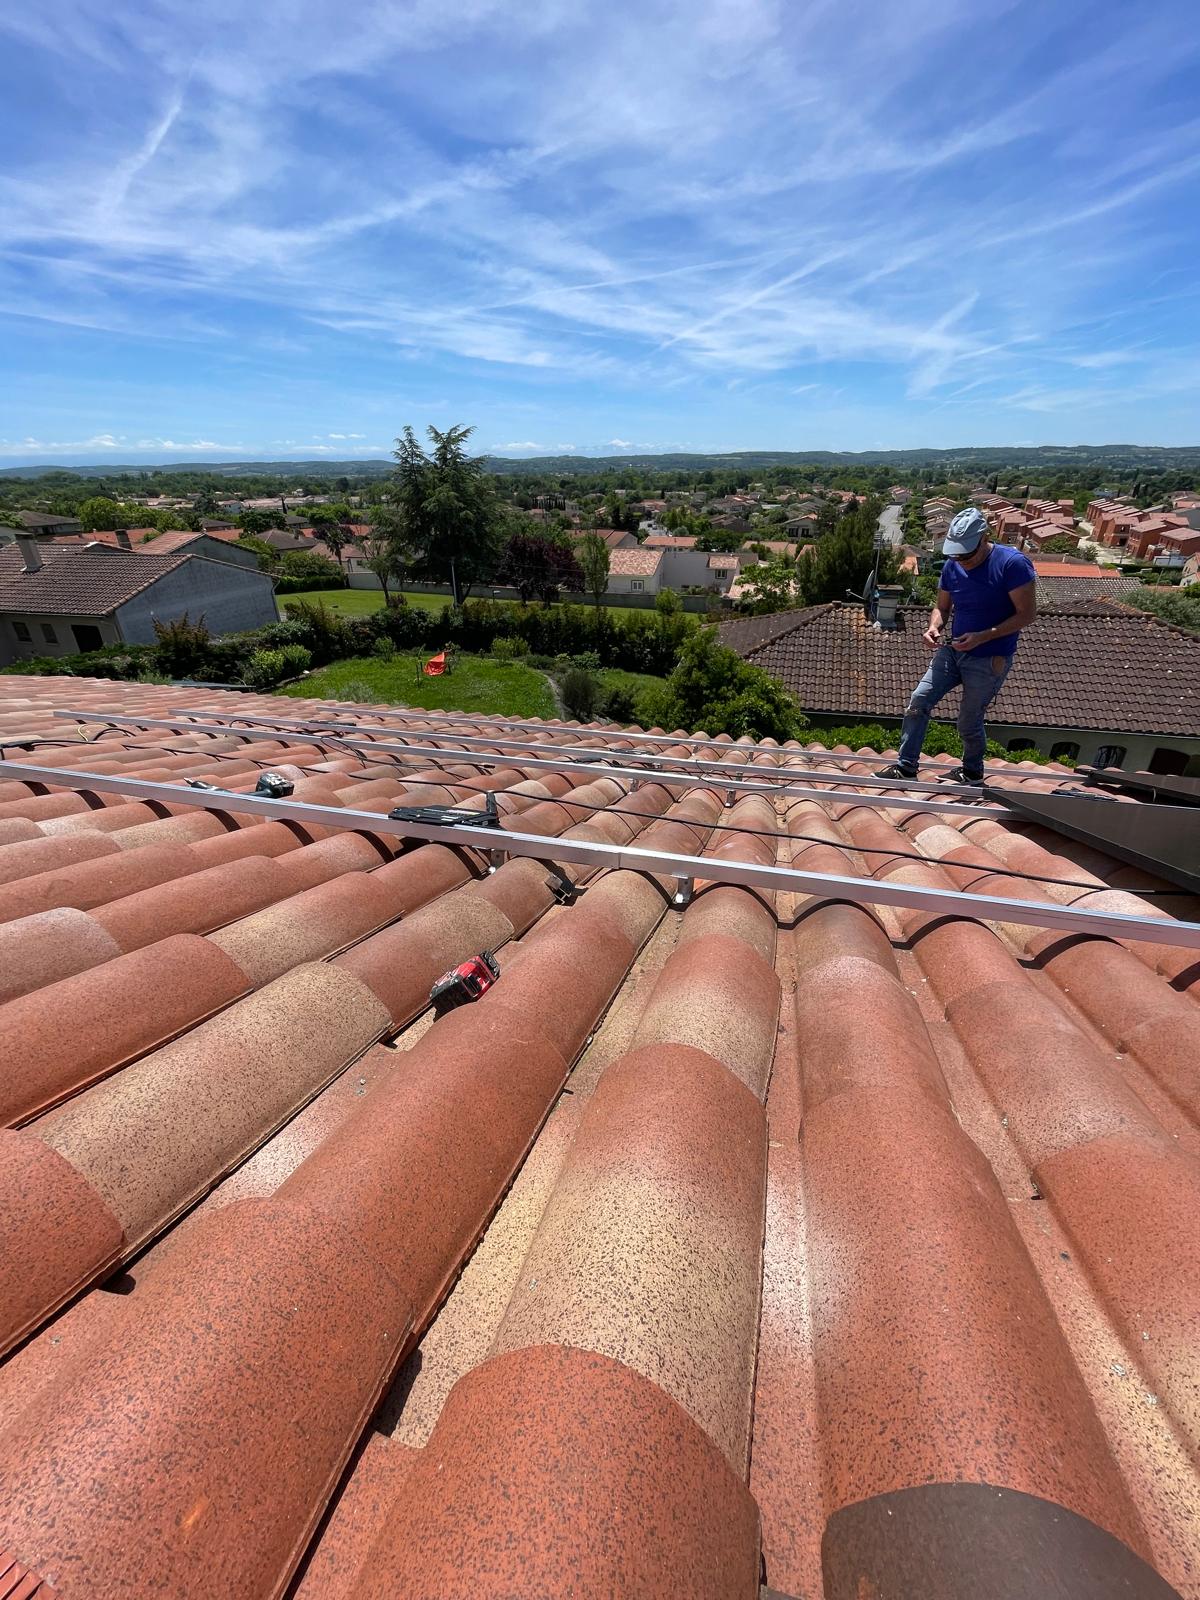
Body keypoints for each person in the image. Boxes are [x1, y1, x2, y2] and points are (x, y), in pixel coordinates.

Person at [876, 507, 1037, 785]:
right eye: (957, 554)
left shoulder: (1012, 564)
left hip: (989, 657)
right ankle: (906, 766)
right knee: (919, 702)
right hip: (953, 651)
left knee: (968, 719)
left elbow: (1027, 615)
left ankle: (972, 772)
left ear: (984, 538)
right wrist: (934, 627)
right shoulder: (953, 565)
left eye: (967, 554)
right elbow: (941, 606)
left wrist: (984, 636)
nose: (962, 560)